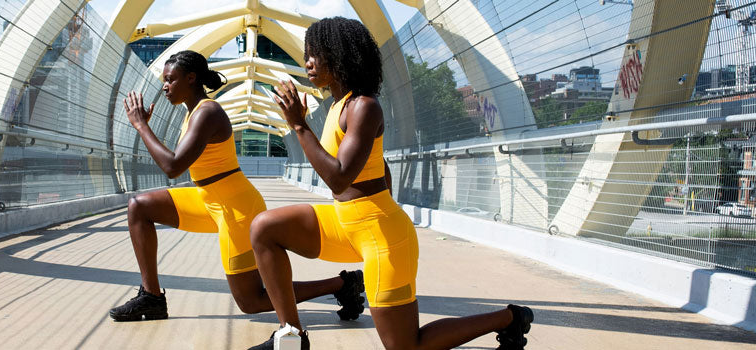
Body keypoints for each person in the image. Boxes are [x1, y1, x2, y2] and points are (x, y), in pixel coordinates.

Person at [248, 18, 534, 350]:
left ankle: (511, 318)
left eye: (316, 53)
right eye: (307, 54)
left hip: (380, 235)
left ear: (339, 55)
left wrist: (298, 125)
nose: (307, 62)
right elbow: (381, 169)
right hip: (345, 223)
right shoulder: (338, 106)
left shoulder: (364, 106)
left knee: (405, 346)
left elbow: (339, 178)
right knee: (264, 228)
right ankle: (292, 336)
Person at [109, 50, 366, 323]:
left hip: (236, 208)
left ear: (191, 78)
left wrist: (140, 126)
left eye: (171, 80)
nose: (165, 86)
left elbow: (173, 166)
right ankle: (152, 297)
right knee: (139, 208)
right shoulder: (192, 112)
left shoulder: (208, 112)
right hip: (208, 199)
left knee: (251, 301)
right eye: (164, 80)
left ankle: (341, 284)